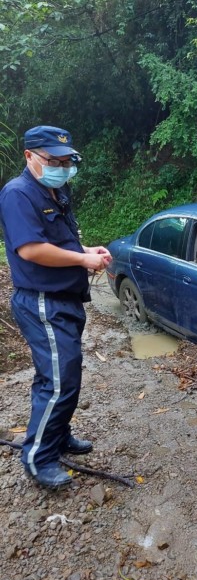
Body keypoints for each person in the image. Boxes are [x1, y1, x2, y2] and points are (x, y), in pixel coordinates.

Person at [0, 125, 111, 489]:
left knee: (62, 377)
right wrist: (82, 262)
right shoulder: (18, 194)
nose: (62, 166)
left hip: (66, 300)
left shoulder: (56, 188)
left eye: (67, 160)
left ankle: (58, 435)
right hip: (42, 302)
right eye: (54, 160)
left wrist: (86, 251)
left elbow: (61, 241)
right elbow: (31, 250)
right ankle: (38, 457)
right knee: (60, 380)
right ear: (29, 156)